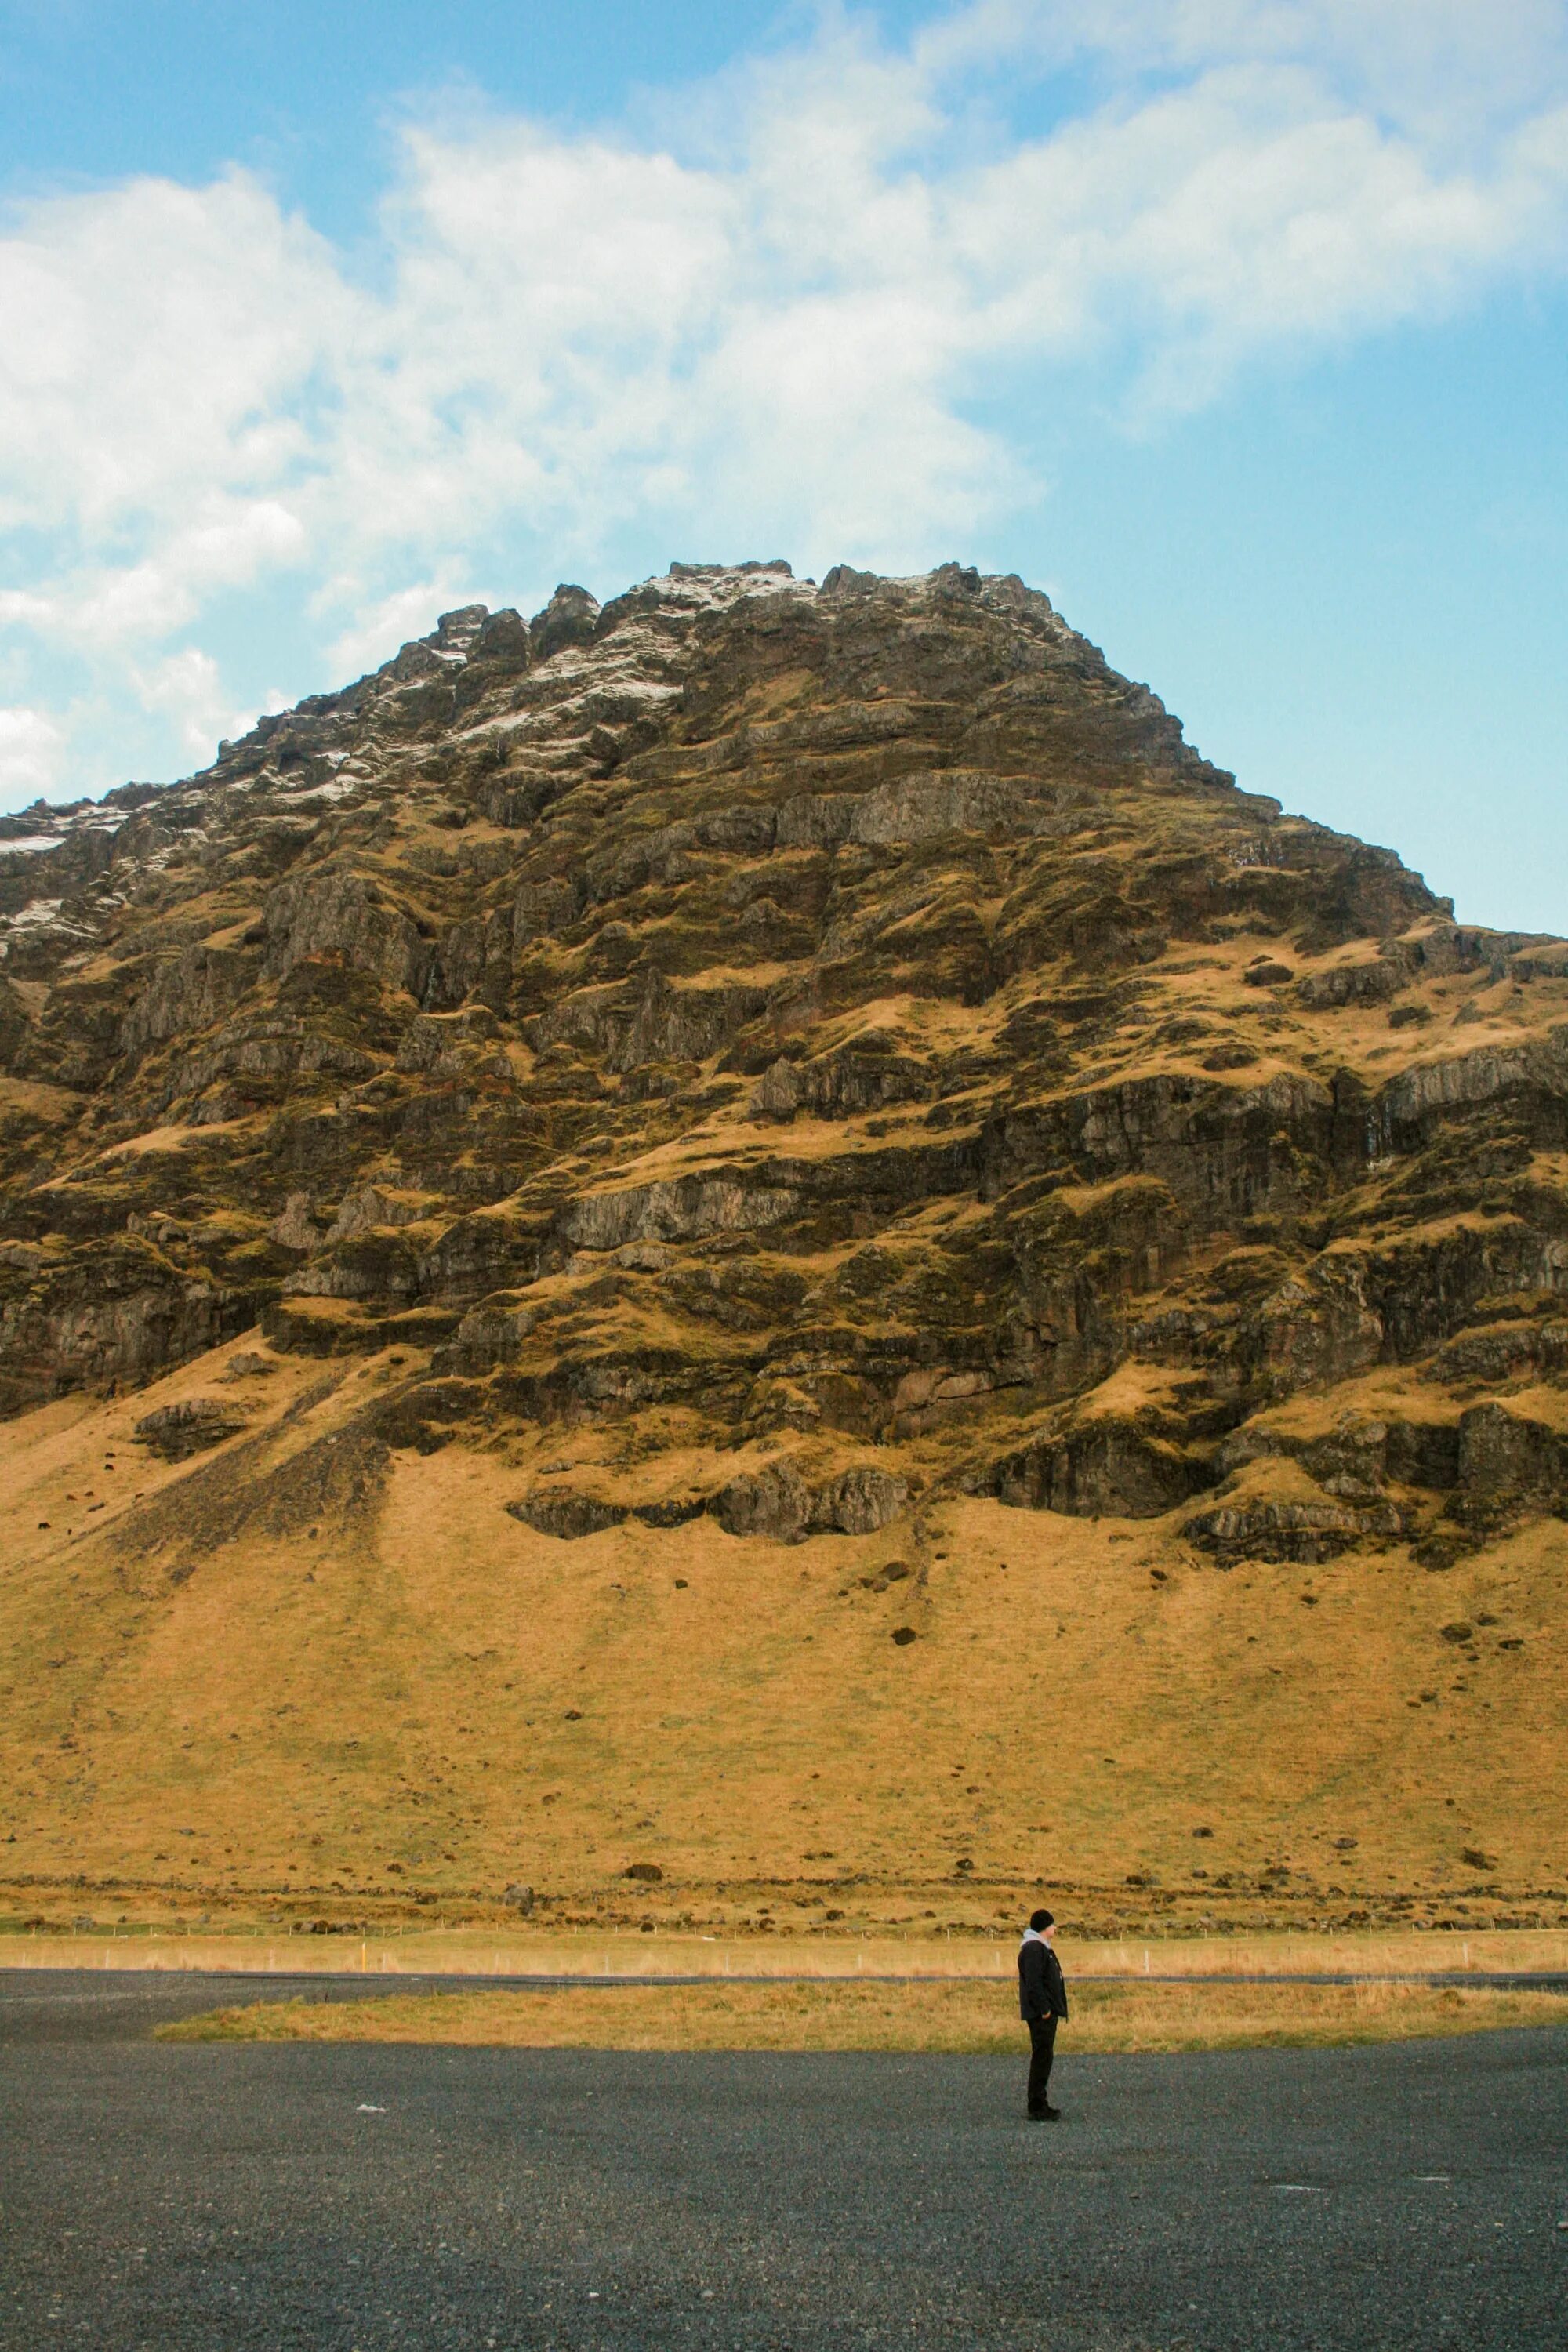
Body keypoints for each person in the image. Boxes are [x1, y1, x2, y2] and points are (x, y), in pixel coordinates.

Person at [1018, 1907, 1068, 2121]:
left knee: (1044, 2056)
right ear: (1044, 1927)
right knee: (1041, 2057)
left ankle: (1040, 2101)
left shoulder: (1041, 1948)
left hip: (1044, 2013)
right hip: (1040, 2015)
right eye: (1052, 1924)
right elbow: (1034, 1982)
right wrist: (1045, 2009)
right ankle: (1037, 2105)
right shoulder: (1033, 1949)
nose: (1055, 1927)